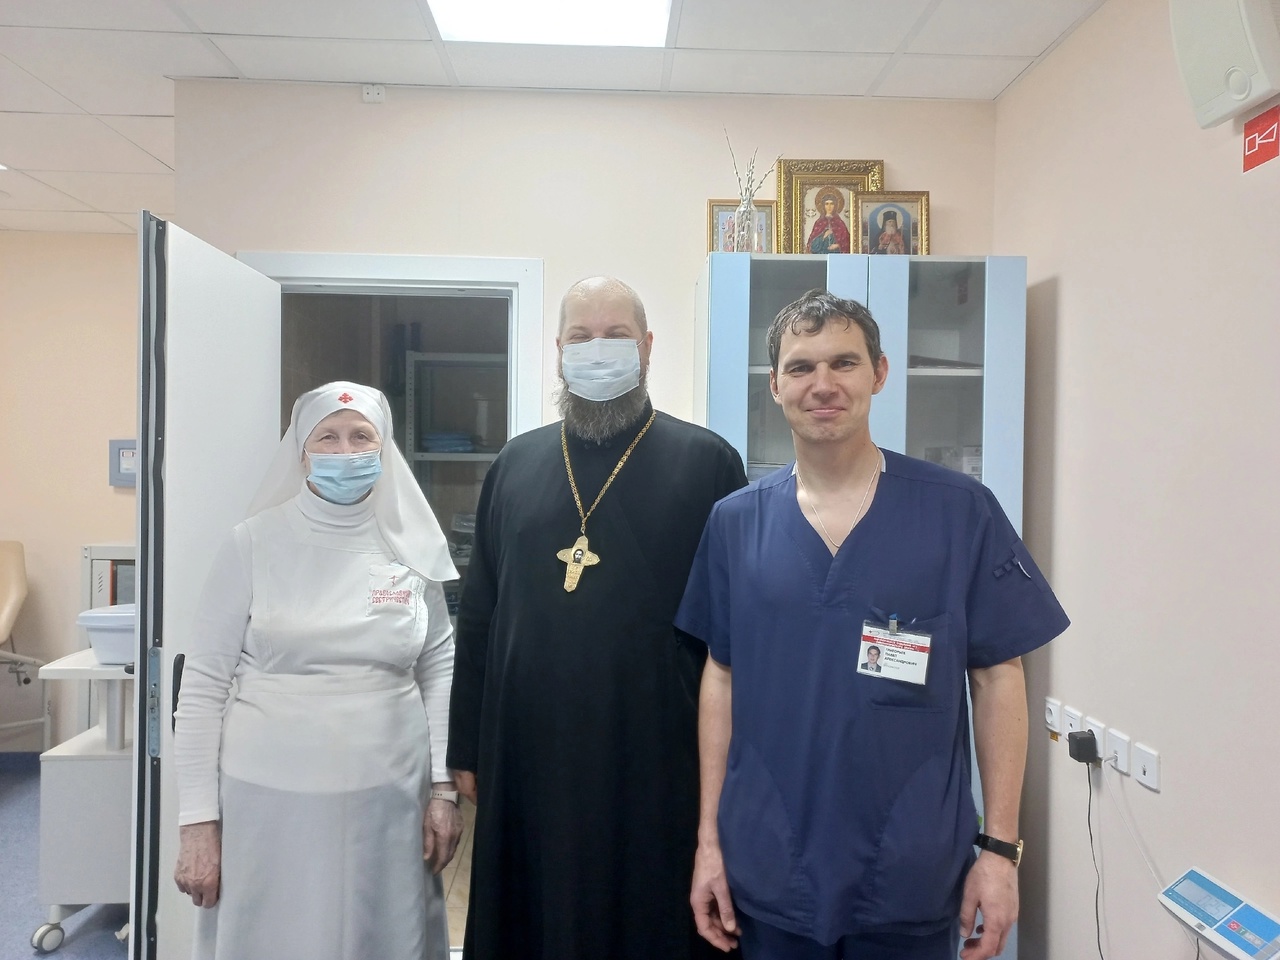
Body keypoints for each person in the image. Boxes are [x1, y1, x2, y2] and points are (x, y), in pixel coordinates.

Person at [676, 291, 1070, 960]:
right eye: (801, 367)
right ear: (774, 385)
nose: (823, 385)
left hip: (910, 869)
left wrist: (1000, 851)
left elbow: (999, 676)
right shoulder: (736, 523)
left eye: (844, 362)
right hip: (770, 864)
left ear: (879, 373)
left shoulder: (958, 511)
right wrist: (708, 842)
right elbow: (721, 674)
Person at [448, 277, 748, 960]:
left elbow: (734, 636)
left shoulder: (707, 462)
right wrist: (466, 746)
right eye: (581, 337)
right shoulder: (515, 464)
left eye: (616, 335)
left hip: (657, 755)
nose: (598, 349)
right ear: (558, 351)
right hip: (528, 753)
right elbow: (481, 613)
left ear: (647, 347)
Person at [173, 381, 463, 960]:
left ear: (384, 448)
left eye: (361, 437)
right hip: (268, 801)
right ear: (300, 451)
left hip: (390, 798)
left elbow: (439, 668)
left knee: (380, 936)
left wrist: (443, 790)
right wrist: (197, 821)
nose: (345, 450)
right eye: (327, 437)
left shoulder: (412, 547)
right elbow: (203, 686)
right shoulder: (252, 543)